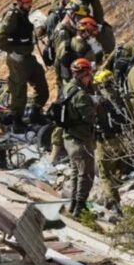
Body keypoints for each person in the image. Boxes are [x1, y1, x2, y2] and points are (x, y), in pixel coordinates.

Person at [0, 0, 49, 133]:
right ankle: (17, 121)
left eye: (30, 2)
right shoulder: (12, 15)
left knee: (41, 84)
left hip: (28, 56)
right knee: (19, 90)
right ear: (19, 2)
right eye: (26, 2)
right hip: (17, 58)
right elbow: (0, 37)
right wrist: (12, 51)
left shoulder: (24, 14)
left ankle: (35, 112)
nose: (29, 5)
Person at [50, 14, 97, 163]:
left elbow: (57, 64)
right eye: (91, 33)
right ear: (85, 32)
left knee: (65, 117)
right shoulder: (83, 48)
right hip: (79, 86)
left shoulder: (68, 43)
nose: (93, 36)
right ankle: (75, 153)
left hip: (68, 84)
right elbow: (91, 69)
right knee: (77, 117)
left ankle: (55, 155)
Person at [93, 69, 133, 215]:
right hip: (121, 139)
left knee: (104, 174)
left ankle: (112, 202)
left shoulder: (97, 101)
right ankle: (113, 197)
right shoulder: (121, 97)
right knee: (117, 171)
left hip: (104, 142)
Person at [63, 58, 97, 217]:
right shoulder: (81, 94)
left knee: (76, 172)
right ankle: (80, 207)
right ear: (84, 74)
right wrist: (95, 104)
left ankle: (73, 204)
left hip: (69, 137)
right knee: (87, 174)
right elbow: (90, 117)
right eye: (89, 74)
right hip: (80, 139)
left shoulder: (67, 87)